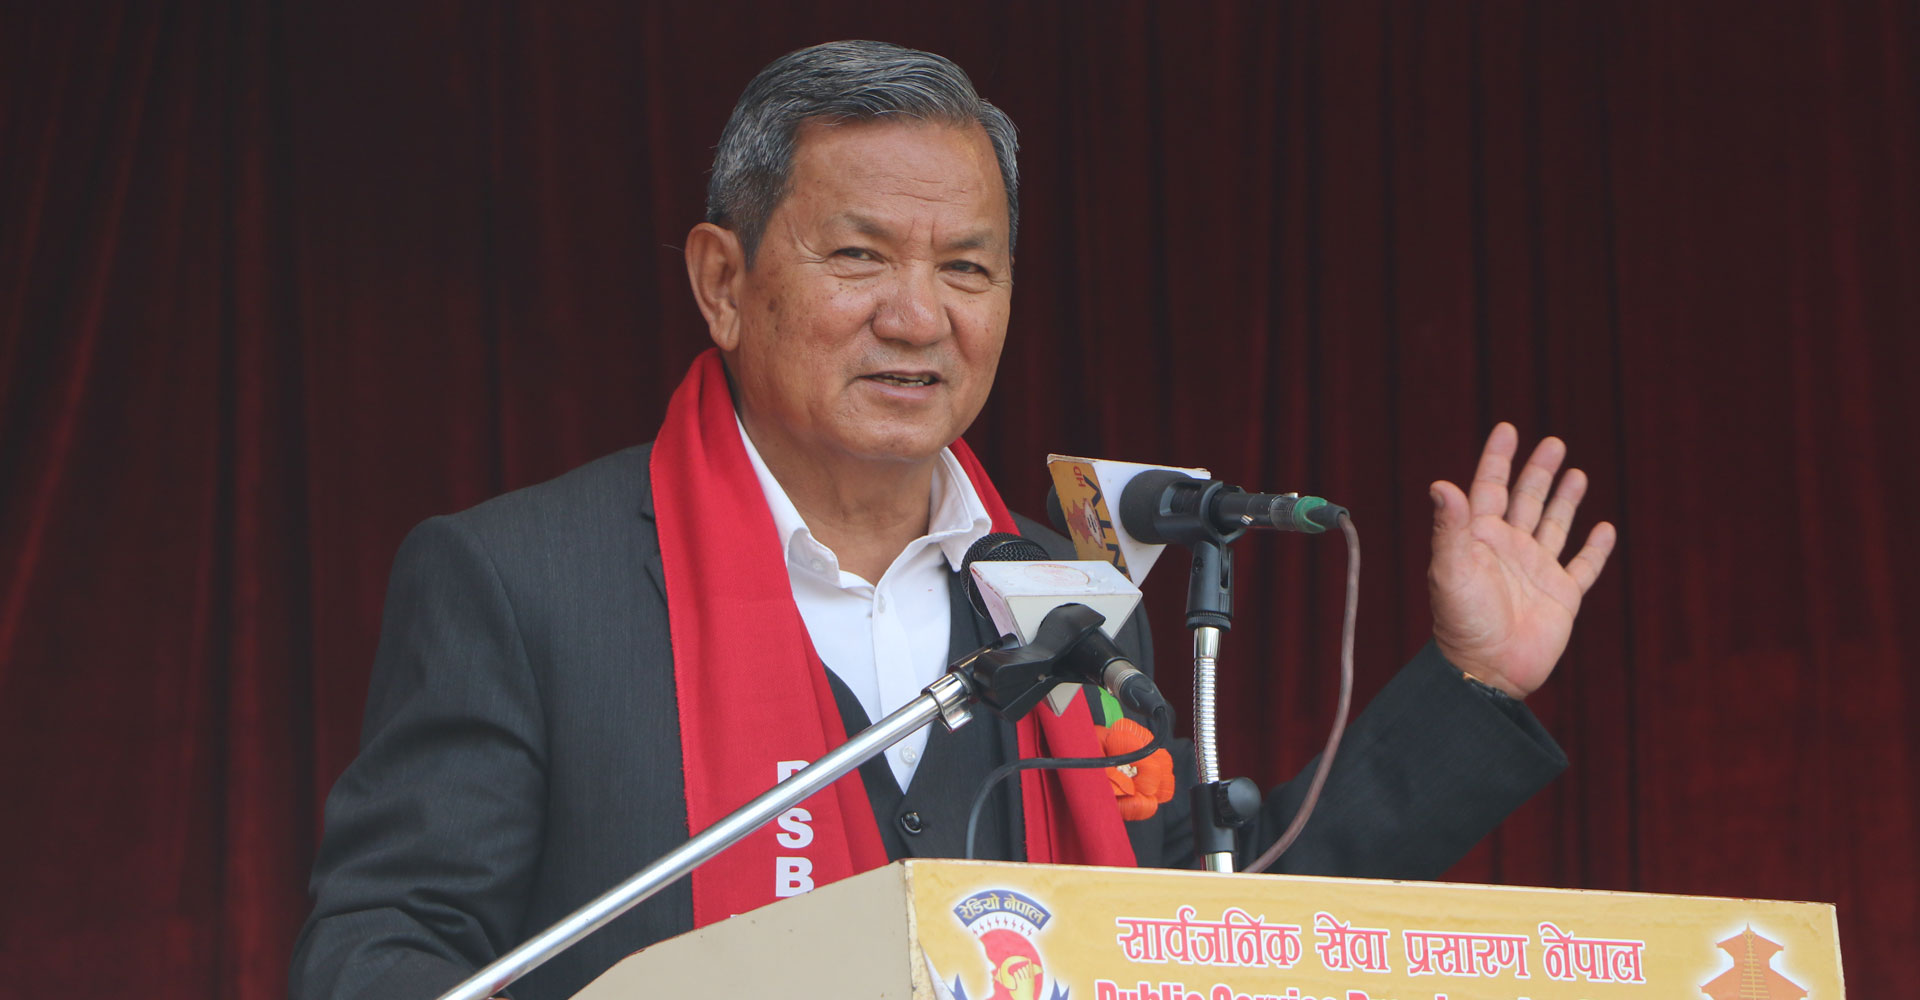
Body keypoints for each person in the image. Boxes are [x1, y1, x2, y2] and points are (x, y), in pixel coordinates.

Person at [289, 40, 1616, 1000]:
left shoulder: (1068, 605)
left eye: (967, 267)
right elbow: (380, 957)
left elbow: (1205, 950)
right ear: (723, 282)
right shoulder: (524, 584)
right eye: (859, 255)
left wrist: (1472, 686)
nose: (919, 315)